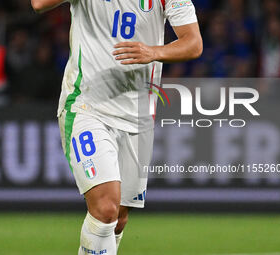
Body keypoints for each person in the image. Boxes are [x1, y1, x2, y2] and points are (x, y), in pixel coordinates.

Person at [31, 0, 202, 254]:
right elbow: (39, 4)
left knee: (118, 218)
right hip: (87, 106)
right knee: (105, 208)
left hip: (137, 117)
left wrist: (154, 52)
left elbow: (193, 42)